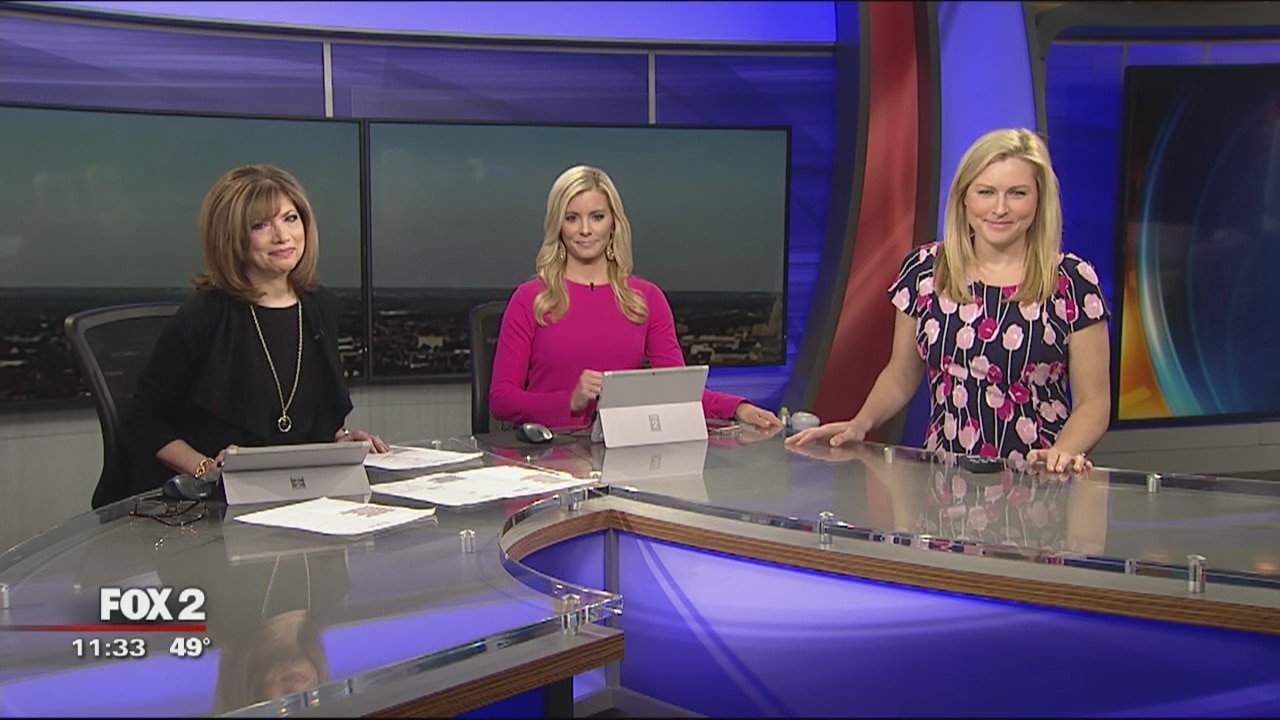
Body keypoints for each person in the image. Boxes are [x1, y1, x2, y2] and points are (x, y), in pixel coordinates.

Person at [787, 128, 1111, 474]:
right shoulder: (925, 270)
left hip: (1039, 482)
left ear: (1039, 200)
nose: (1000, 208)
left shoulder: (1072, 282)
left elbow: (1094, 402)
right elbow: (901, 372)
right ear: (964, 197)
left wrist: (1062, 452)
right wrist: (860, 423)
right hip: (945, 482)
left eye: (1017, 193)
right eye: (986, 192)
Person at [120, 164, 387, 506]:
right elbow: (143, 420)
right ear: (231, 237)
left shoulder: (319, 307)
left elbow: (303, 417)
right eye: (261, 225)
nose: (283, 236)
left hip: (297, 499)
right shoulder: (205, 315)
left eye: (290, 218)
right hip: (211, 507)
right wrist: (206, 469)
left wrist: (339, 444)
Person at [488, 164, 782, 432]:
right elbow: (501, 399)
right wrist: (570, 401)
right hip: (547, 453)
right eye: (572, 218)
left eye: (597, 217)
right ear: (558, 226)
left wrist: (737, 408)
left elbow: (677, 391)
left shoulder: (646, 299)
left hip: (623, 451)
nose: (585, 230)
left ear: (613, 223)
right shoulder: (530, 299)